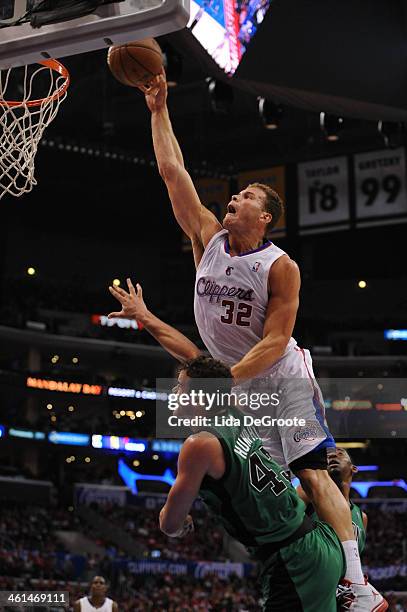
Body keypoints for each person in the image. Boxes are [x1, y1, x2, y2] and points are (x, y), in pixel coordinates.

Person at [139, 74, 386, 610]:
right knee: (280, 493)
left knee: (312, 476)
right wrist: (158, 108)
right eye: (236, 193)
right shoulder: (207, 237)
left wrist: (221, 382)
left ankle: (359, 585)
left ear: (266, 217)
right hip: (239, 387)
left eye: (247, 196)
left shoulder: (281, 266)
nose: (234, 198)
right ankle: (314, 567)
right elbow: (171, 171)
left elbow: (275, 341)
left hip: (281, 378)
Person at [108, 280, 386, 611]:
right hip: (320, 539)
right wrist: (145, 317)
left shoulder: (199, 444)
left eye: (181, 388)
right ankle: (351, 565)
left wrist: (178, 522)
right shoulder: (233, 411)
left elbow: (169, 524)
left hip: (296, 560)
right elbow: (194, 359)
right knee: (335, 506)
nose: (175, 393)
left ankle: (357, 589)